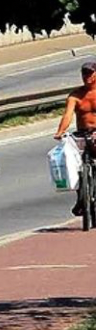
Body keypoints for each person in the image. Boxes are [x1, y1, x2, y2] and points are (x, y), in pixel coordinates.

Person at [53, 61, 96, 215]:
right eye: (84, 73)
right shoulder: (75, 95)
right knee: (74, 163)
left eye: (90, 73)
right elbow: (68, 115)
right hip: (82, 134)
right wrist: (60, 132)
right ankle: (81, 197)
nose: (87, 77)